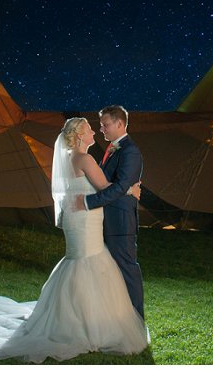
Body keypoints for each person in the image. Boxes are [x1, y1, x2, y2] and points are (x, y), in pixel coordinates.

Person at [0, 117, 148, 363]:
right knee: (88, 262)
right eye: (89, 130)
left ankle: (73, 317)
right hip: (85, 221)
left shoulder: (69, 159)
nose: (94, 134)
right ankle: (88, 325)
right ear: (79, 136)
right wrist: (131, 189)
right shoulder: (85, 159)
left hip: (76, 220)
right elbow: (104, 186)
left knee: (78, 261)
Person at [74, 105, 145, 319]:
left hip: (120, 222)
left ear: (120, 124)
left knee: (127, 270)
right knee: (109, 272)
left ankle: (137, 321)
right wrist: (127, 190)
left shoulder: (130, 151)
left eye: (105, 125)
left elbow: (119, 186)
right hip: (106, 220)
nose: (102, 129)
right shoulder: (113, 149)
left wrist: (87, 202)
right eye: (101, 125)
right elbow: (109, 185)